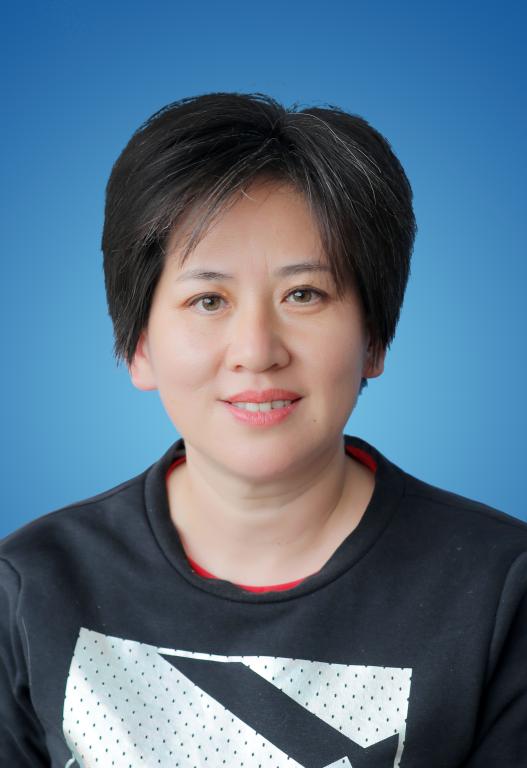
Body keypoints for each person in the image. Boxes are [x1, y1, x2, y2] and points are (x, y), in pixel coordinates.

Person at [0, 92, 525, 768]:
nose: (256, 350)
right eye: (208, 300)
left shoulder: (500, 591)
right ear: (140, 348)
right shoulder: (30, 586)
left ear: (372, 339)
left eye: (303, 294)